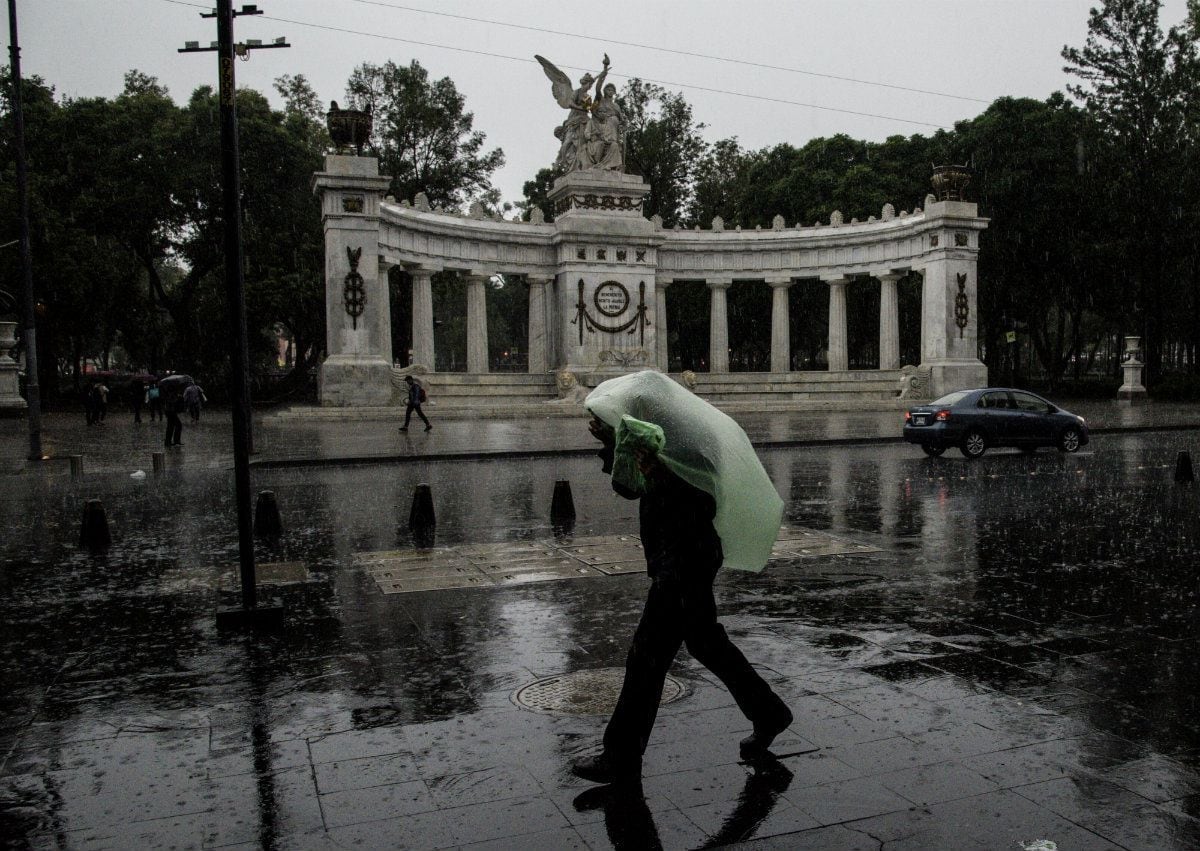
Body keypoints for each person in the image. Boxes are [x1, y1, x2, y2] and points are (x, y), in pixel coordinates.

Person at [571, 413, 793, 785]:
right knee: (706, 644)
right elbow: (628, 486)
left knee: (645, 659)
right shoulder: (655, 436)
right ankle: (769, 713)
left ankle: (620, 757)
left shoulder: (696, 445)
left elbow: (700, 500)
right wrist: (612, 443)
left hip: (685, 562)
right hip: (674, 559)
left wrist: (659, 471)